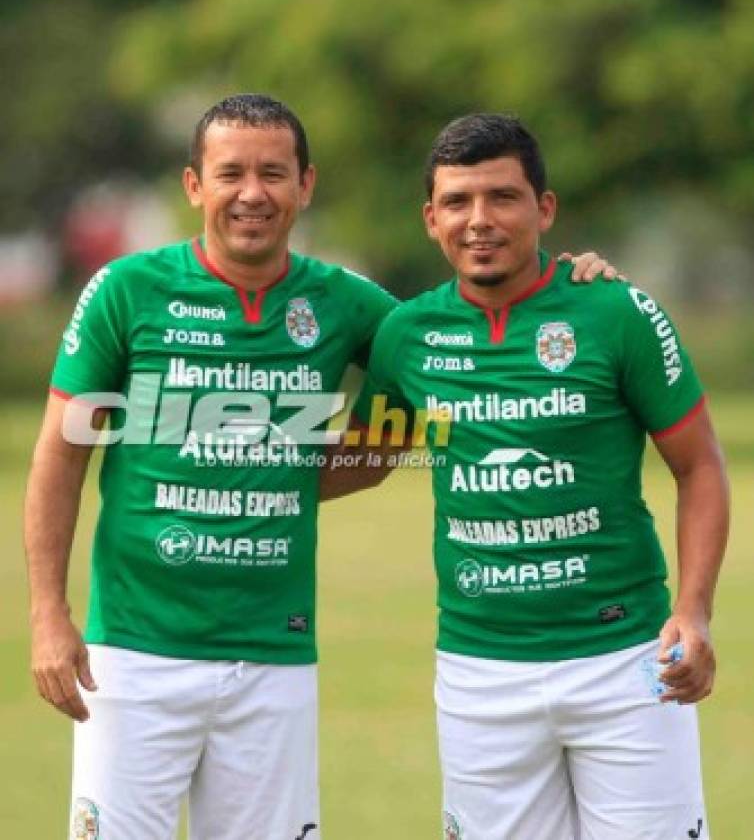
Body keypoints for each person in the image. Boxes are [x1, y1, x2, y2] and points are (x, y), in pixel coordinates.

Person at [24, 94, 616, 840]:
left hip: (276, 657)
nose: (252, 193)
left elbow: (451, 343)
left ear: (305, 186)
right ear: (193, 187)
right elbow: (60, 452)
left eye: (274, 173)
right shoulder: (126, 291)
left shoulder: (343, 302)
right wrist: (49, 615)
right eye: (230, 173)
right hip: (132, 657)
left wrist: (575, 290)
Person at [323, 113, 729, 839]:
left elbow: (699, 466)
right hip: (481, 673)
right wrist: (211, 465)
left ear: (544, 209)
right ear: (430, 219)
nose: (479, 220)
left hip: (628, 662)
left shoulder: (617, 312)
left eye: (502, 198)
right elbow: (363, 460)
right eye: (457, 202)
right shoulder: (407, 335)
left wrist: (693, 611)